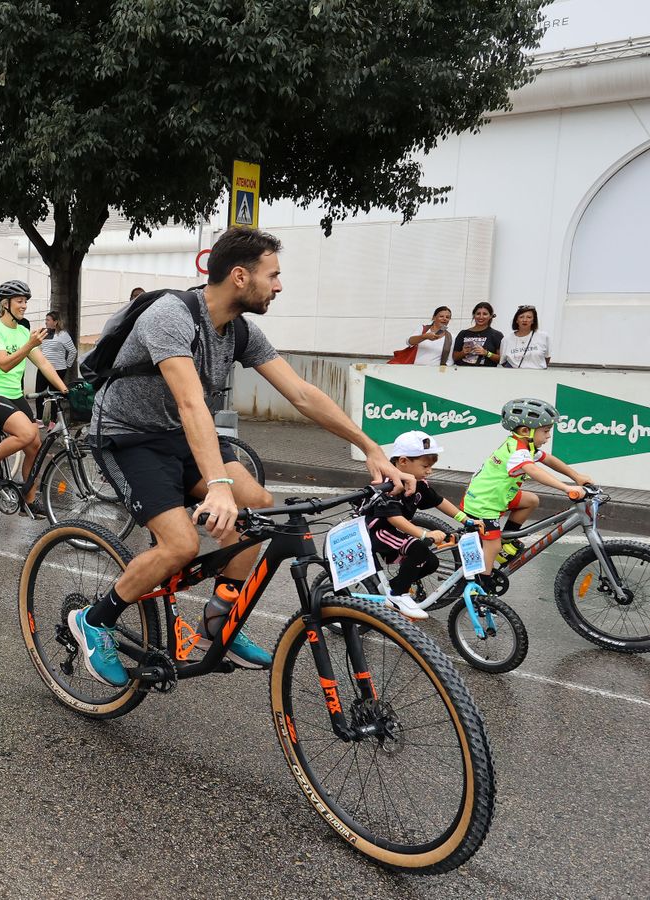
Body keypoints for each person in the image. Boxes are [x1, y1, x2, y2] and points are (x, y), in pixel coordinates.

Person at [69, 227, 413, 684]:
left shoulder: (239, 331)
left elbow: (302, 394)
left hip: (181, 434)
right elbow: (191, 402)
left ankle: (219, 615)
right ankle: (95, 620)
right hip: (129, 436)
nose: (279, 286)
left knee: (257, 507)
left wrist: (372, 448)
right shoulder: (170, 316)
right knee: (181, 545)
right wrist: (216, 487)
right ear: (239, 276)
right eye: (273, 275)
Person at [0, 280, 69, 516]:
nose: (24, 305)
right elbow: (4, 364)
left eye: (26, 301)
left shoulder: (24, 331)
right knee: (25, 433)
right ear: (5, 304)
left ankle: (29, 501)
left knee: (34, 445)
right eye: (19, 301)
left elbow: (43, 363)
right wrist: (29, 345)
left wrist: (65, 389)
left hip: (14, 395)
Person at [463, 398, 592, 571]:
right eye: (546, 431)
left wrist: (576, 476)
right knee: (492, 547)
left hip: (495, 496)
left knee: (531, 500)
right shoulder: (517, 451)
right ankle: (481, 583)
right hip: (484, 504)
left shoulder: (523, 445)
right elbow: (534, 471)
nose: (548, 436)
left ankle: (506, 541)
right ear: (525, 431)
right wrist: (566, 488)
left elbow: (548, 459)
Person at [363, 431, 475, 620]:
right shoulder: (389, 485)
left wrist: (466, 520)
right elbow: (393, 518)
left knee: (432, 562)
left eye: (431, 466)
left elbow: (439, 501)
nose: (429, 471)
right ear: (403, 461)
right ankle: (397, 595)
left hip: (394, 530)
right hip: (378, 531)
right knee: (418, 548)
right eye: (425, 466)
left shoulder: (419, 483)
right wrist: (423, 534)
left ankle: (393, 586)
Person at [36, 309, 78, 393]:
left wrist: (67, 365)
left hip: (58, 370)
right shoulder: (44, 333)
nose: (45, 322)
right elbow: (41, 349)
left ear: (55, 322)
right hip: (43, 369)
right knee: (39, 393)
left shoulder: (63, 335)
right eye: (45, 320)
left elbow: (73, 351)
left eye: (48, 320)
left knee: (55, 394)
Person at [452, 302, 503, 367]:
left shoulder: (496, 335)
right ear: (474, 315)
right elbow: (455, 357)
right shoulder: (463, 333)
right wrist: (463, 352)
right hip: (463, 371)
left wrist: (487, 353)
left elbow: (501, 360)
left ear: (490, 316)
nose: (481, 317)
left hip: (486, 372)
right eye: (478, 314)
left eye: (485, 314)